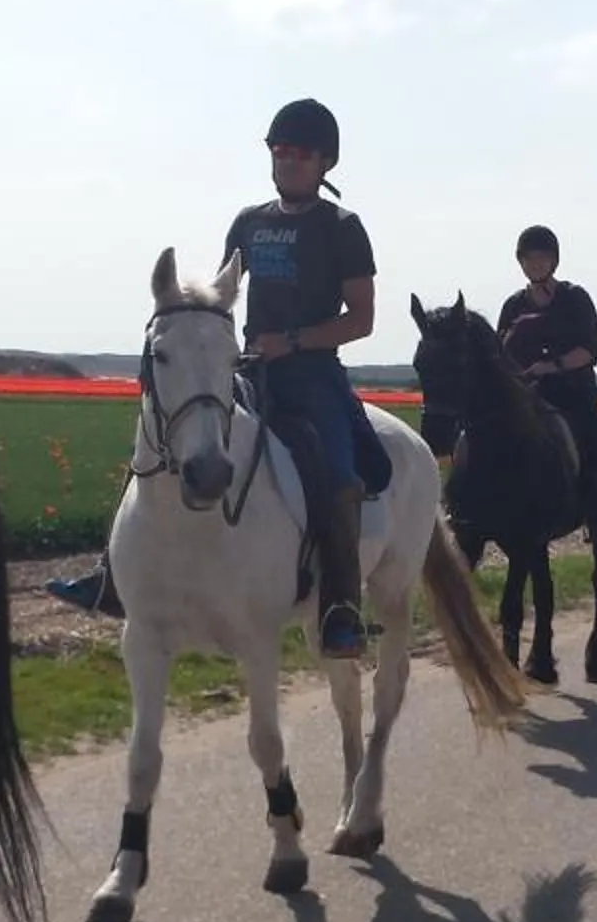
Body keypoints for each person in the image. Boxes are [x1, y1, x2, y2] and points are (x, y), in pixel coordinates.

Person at [48, 99, 383, 660]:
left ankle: (340, 610)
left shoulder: (343, 228)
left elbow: (363, 319)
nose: (289, 162)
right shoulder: (249, 222)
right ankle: (113, 577)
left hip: (313, 376)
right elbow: (224, 290)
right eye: (280, 152)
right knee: (163, 438)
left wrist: (294, 341)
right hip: (249, 370)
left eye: (301, 154)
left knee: (339, 476)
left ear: (326, 162)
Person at [496, 225, 597, 518]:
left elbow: (588, 350)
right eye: (529, 258)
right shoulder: (513, 305)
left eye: (542, 258)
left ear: (554, 261)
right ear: (521, 262)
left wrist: (551, 367)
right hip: (527, 394)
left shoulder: (575, 298)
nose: (536, 264)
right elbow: (499, 352)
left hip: (571, 390)